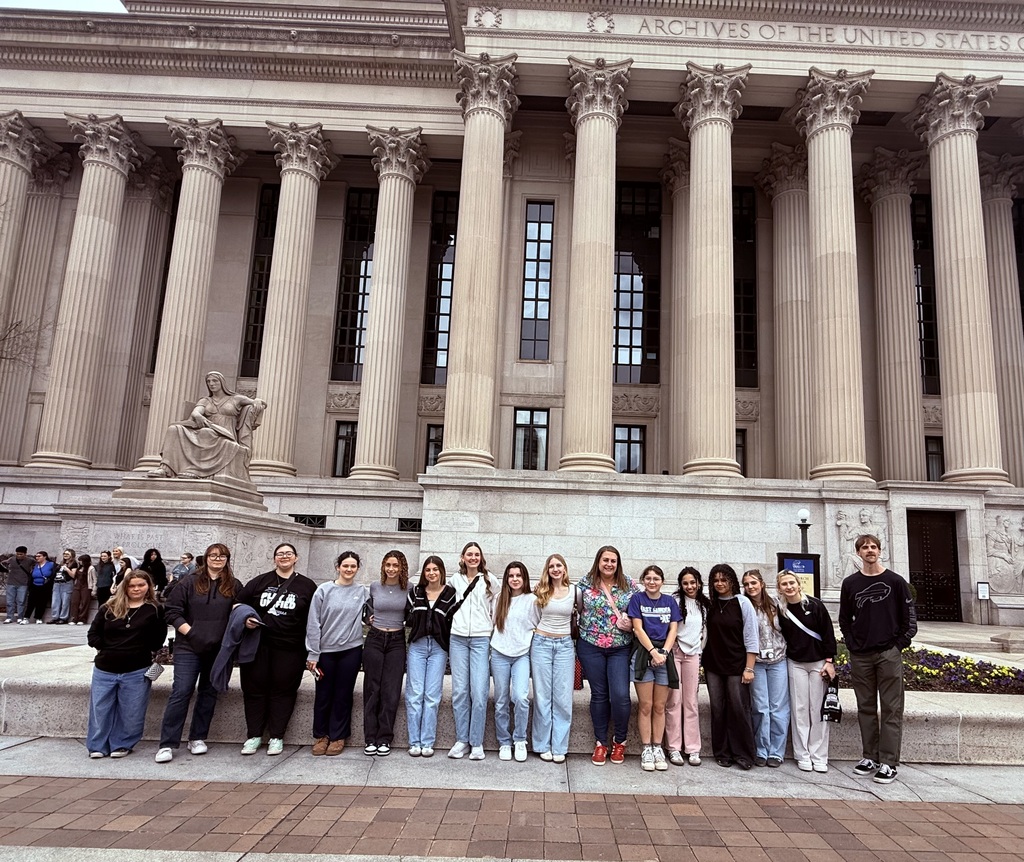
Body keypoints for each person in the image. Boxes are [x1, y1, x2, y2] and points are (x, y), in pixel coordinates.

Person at [839, 533, 917, 785]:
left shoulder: (895, 582)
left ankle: (889, 762)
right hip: (860, 654)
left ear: (880, 550)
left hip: (888, 654)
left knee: (892, 709)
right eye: (865, 547)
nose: (869, 551)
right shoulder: (850, 584)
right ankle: (869, 757)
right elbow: (844, 619)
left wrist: (897, 646)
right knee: (866, 708)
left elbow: (910, 620)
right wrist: (851, 643)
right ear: (858, 553)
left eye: (873, 547)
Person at [154, 542, 241, 763]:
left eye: (222, 556)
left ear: (227, 560)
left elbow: (239, 611)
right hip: (189, 647)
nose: (217, 559)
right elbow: (172, 612)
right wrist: (192, 633)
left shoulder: (233, 585)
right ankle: (168, 743)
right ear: (206, 558)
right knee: (181, 691)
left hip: (218, 649)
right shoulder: (189, 582)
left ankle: (198, 737)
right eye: (213, 555)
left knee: (209, 693)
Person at [235, 542, 316, 755]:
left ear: (296, 558)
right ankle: (253, 735)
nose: (284, 557)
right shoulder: (260, 581)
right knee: (254, 690)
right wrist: (246, 619)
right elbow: (237, 605)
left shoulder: (306, 585)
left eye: (289, 553)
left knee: (284, 691)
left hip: (290, 647)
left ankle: (277, 736)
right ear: (274, 559)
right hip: (258, 645)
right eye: (280, 554)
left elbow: (314, 618)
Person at [86, 572, 166, 758]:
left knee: (132, 711)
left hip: (137, 669)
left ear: (149, 586)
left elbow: (157, 640)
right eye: (132, 586)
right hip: (105, 667)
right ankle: (97, 745)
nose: (137, 589)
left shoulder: (154, 609)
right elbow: (93, 634)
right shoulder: (109, 607)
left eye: (141, 585)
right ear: (125, 587)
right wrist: (106, 648)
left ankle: (122, 743)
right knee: (100, 709)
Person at [576, 545, 637, 765]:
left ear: (618, 563)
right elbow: (571, 603)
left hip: (620, 646)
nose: (609, 564)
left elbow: (640, 607)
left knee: (620, 695)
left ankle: (620, 741)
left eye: (613, 561)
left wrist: (632, 620)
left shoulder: (629, 584)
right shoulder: (585, 582)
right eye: (605, 560)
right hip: (591, 645)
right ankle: (601, 742)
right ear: (598, 562)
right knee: (599, 694)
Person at [306, 551, 368, 757]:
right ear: (338, 567)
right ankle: (321, 735)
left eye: (353, 566)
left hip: (351, 650)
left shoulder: (362, 591)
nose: (349, 570)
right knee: (323, 694)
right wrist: (313, 653)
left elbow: (371, 616)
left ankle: (338, 735)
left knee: (343, 694)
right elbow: (313, 623)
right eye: (345, 566)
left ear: (358, 568)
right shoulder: (324, 590)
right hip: (326, 652)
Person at [149, 371, 265, 480]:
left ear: (222, 383)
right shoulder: (205, 400)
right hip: (207, 429)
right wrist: (197, 415)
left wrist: (258, 401)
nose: (211, 384)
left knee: (206, 433)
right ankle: (166, 468)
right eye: (209, 381)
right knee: (173, 429)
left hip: (225, 434)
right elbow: (196, 411)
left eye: (215, 381)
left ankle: (195, 470)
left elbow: (256, 402)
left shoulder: (235, 399)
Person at [777, 570, 837, 774]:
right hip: (796, 663)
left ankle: (819, 756)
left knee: (817, 710)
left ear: (798, 583)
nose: (789, 587)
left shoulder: (815, 605)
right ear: (780, 588)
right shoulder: (781, 609)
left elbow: (828, 633)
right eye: (784, 584)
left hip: (818, 663)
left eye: (791, 582)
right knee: (799, 709)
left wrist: (829, 661)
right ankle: (802, 754)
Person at [703, 563, 758, 770]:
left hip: (737, 665)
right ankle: (722, 752)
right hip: (713, 665)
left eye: (723, 579)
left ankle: (743, 753)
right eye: (715, 580)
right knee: (718, 709)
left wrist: (749, 667)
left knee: (738, 708)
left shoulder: (742, 603)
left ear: (732, 581)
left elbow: (751, 637)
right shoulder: (710, 604)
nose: (719, 583)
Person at [628, 564, 682, 772]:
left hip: (664, 657)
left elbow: (673, 629)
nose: (652, 582)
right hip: (644, 655)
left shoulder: (669, 602)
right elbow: (637, 628)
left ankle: (658, 747)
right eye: (648, 578)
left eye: (656, 578)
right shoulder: (637, 600)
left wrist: (664, 653)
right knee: (645, 705)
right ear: (643, 581)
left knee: (660, 706)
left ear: (662, 581)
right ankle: (646, 748)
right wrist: (652, 652)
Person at [447, 541, 495, 761]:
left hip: (480, 639)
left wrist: (490, 626)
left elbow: (498, 605)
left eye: (477, 554)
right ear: (463, 557)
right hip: (457, 638)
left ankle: (476, 742)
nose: (473, 558)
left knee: (479, 691)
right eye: (469, 554)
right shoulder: (454, 580)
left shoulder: (489, 580)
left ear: (481, 557)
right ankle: (461, 740)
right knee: (459, 692)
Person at [405, 555, 457, 758]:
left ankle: (427, 742)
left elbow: (454, 620)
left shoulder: (450, 594)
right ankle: (414, 742)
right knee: (415, 694)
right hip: (417, 646)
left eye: (435, 569)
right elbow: (406, 617)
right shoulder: (415, 593)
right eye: (428, 570)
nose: (432, 573)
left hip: (438, 648)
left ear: (442, 571)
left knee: (432, 697)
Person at [362, 550, 410, 757]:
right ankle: (370, 738)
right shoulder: (374, 586)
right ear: (383, 566)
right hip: (374, 639)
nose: (391, 569)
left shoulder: (409, 588)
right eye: (388, 565)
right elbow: (364, 609)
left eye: (396, 566)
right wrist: (367, 618)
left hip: (397, 641)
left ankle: (384, 738)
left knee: (391, 691)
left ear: (402, 568)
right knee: (372, 688)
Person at [741, 569, 790, 768]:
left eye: (753, 582)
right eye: (746, 584)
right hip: (757, 663)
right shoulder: (745, 606)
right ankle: (761, 750)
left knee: (778, 707)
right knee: (761, 707)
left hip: (778, 660)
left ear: (761, 583)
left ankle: (776, 752)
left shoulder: (777, 604)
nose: (750, 587)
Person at [490, 561, 538, 763]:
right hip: (500, 653)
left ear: (524, 578)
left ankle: (519, 739)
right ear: (506, 579)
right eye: (511, 576)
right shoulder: (500, 598)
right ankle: (504, 741)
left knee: (520, 697)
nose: (515, 579)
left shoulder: (532, 600)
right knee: (501, 700)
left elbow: (538, 624)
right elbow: (493, 623)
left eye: (519, 575)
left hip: (521, 654)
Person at [529, 554, 575, 763]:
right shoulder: (540, 591)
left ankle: (559, 746)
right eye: (552, 566)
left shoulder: (575, 591)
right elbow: (533, 618)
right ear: (547, 570)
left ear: (565, 569)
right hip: (542, 644)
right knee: (542, 696)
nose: (556, 569)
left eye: (559, 566)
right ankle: (541, 744)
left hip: (565, 646)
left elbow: (578, 614)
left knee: (563, 698)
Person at [665, 567, 709, 766]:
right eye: (685, 583)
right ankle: (673, 747)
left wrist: (700, 648)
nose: (690, 586)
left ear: (699, 583)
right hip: (675, 653)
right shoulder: (673, 601)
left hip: (693, 654)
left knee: (691, 701)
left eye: (693, 582)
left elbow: (705, 630)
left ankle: (692, 748)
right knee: (674, 700)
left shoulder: (705, 604)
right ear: (680, 585)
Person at [5, 546, 33, 624]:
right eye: (17, 554)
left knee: (21, 601)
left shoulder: (30, 560)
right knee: (10, 601)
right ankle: (9, 617)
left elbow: (37, 564)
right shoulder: (11, 559)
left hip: (23, 583)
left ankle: (20, 617)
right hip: (11, 582)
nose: (19, 555)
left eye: (21, 554)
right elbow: (4, 563)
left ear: (25, 554)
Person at [50, 548, 77, 624]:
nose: (65, 555)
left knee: (65, 601)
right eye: (64, 554)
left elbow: (73, 575)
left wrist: (67, 569)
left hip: (67, 583)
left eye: (67, 554)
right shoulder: (61, 563)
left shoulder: (74, 564)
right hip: (57, 583)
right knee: (55, 601)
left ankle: (63, 618)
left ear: (72, 555)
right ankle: (55, 617)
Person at [26, 550, 54, 624]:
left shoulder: (50, 564)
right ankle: (26, 617)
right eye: (36, 556)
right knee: (31, 602)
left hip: (44, 586)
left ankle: (38, 617)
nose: (37, 557)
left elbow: (53, 573)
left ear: (44, 557)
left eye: (39, 556)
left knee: (42, 602)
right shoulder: (35, 565)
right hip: (34, 585)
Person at [70, 553, 97, 625]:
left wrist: (94, 590)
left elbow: (94, 579)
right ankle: (74, 618)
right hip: (77, 586)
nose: (79, 562)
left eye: (81, 560)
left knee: (84, 603)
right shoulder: (79, 568)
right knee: (74, 602)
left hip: (86, 586)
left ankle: (82, 618)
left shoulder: (91, 568)